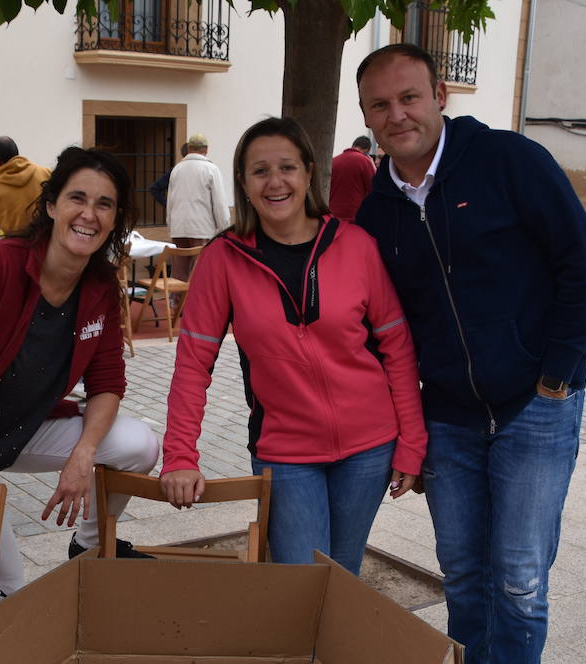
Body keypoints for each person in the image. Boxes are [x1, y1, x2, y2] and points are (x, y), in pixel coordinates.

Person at [353, 44, 586, 664]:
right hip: (448, 419)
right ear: (366, 115)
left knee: (520, 579)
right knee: (465, 577)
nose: (397, 114)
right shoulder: (377, 211)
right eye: (380, 105)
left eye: (408, 97)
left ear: (440, 94)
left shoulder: (509, 161)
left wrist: (555, 378)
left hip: (536, 407)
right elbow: (382, 326)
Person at [160, 117, 425, 574]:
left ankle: (335, 648)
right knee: (300, 579)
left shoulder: (356, 244)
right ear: (242, 182)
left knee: (342, 576)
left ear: (308, 172)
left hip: (370, 447)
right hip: (285, 452)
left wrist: (412, 442)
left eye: (287, 167)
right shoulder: (223, 259)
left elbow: (397, 346)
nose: (275, 181)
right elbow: (192, 364)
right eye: (260, 170)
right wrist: (180, 455)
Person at [0, 147, 160, 597]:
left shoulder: (99, 287)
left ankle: (89, 546)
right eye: (77, 198)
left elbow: (107, 383)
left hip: (23, 429)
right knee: (11, 590)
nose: (89, 214)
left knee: (138, 445)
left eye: (105, 204)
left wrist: (84, 453)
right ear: (51, 206)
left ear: (116, 219)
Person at [167, 133, 230, 279]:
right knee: (200, 273)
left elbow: (171, 200)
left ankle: (177, 301)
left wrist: (171, 226)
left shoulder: (177, 169)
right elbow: (219, 203)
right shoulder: (211, 169)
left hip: (179, 228)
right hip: (202, 229)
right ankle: (197, 301)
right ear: (206, 149)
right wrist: (223, 228)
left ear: (189, 148)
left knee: (179, 274)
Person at [328, 135, 376, 222]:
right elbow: (374, 189)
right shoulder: (364, 161)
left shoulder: (333, 161)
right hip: (355, 216)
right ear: (367, 150)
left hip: (333, 216)